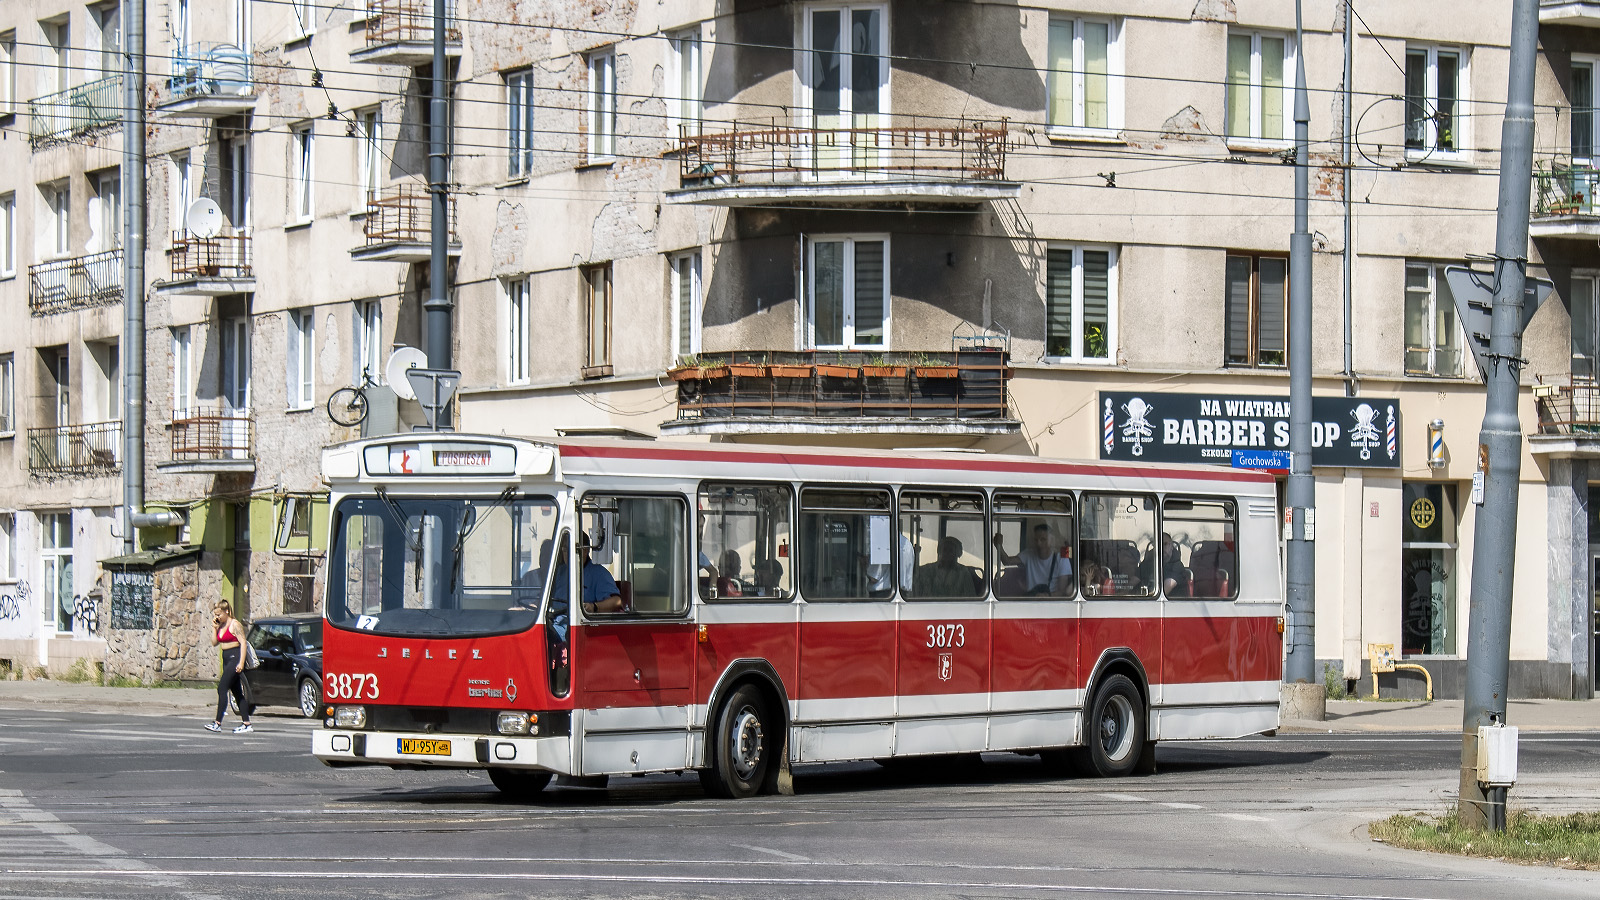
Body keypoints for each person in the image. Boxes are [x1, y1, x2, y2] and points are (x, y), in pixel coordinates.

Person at [206, 600, 254, 734]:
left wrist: (241, 662)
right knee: (237, 692)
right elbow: (214, 643)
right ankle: (246, 723)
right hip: (226, 658)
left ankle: (217, 723)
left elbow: (243, 643)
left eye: (219, 614)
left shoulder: (235, 624)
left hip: (235, 658)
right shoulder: (220, 625)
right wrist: (214, 628)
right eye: (215, 614)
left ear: (226, 611)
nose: (217, 617)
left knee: (222, 688)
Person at [551, 531, 624, 615]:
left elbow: (616, 601)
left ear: (585, 550)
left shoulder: (599, 573)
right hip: (552, 619)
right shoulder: (558, 572)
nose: (567, 554)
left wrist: (594, 607)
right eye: (564, 550)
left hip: (576, 623)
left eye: (570, 549)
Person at [993, 524, 1073, 596]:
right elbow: (1007, 561)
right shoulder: (1029, 554)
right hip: (1031, 599)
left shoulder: (1061, 559)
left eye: (1043, 540)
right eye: (1036, 540)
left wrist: (1046, 596)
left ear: (1051, 541)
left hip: (1051, 602)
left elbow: (1062, 591)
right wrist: (999, 546)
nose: (1038, 543)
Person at [912, 536, 982, 598]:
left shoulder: (964, 573)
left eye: (951, 550)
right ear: (939, 551)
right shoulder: (927, 570)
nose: (947, 553)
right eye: (945, 549)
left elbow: (970, 597)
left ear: (958, 553)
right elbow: (915, 587)